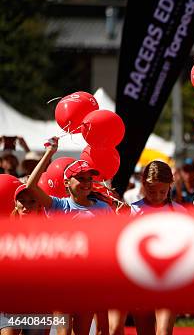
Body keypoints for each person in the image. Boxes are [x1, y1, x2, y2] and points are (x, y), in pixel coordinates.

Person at [24, 137, 111, 335]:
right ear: (66, 182)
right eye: (80, 178)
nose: (86, 183)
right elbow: (31, 186)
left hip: (90, 281)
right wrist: (49, 153)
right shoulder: (59, 205)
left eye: (89, 178)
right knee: (64, 332)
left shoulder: (103, 208)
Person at [109, 160, 184, 335]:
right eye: (151, 191)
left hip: (168, 281)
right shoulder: (132, 211)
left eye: (162, 191)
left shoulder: (179, 212)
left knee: (164, 331)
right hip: (139, 281)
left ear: (170, 186)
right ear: (143, 184)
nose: (157, 196)